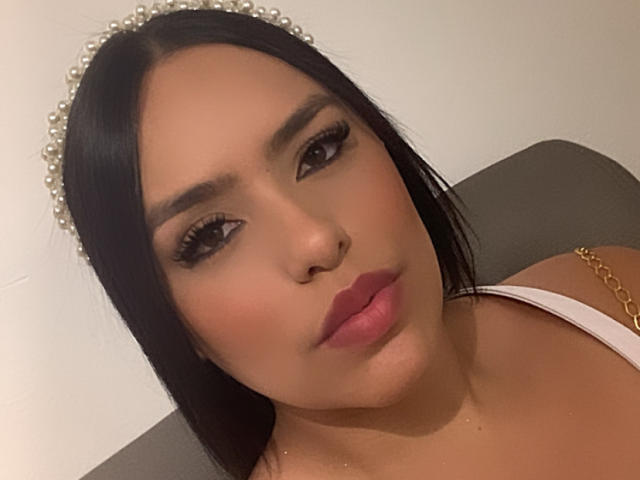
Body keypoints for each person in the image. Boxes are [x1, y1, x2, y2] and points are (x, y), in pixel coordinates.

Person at [42, 2, 640, 479]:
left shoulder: (608, 286)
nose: (316, 239)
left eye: (320, 151)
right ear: (169, 319)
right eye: (211, 235)